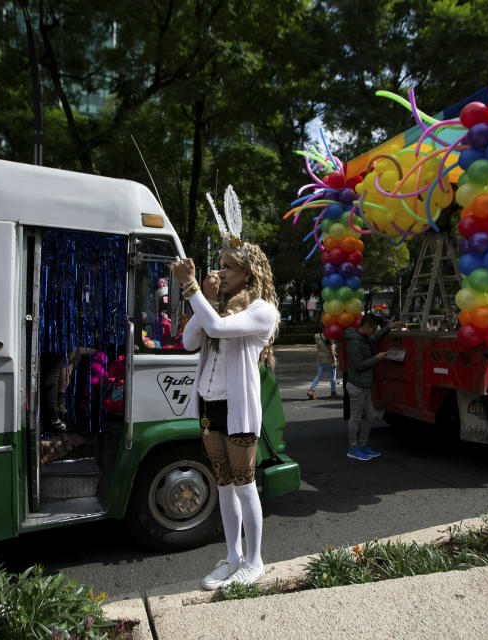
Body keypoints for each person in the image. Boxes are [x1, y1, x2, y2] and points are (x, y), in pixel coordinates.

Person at [171, 185, 279, 591]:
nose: (219, 274)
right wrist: (206, 296)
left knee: (245, 481)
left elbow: (217, 330)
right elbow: (190, 340)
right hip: (210, 404)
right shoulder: (215, 305)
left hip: (239, 408)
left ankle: (255, 560)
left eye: (226, 269)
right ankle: (232, 556)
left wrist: (192, 288)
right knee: (223, 483)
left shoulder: (260, 311)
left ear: (247, 273)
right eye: (217, 267)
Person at [341, 313, 392, 461]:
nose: (375, 331)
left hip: (365, 385)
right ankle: (352, 449)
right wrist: (377, 358)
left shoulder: (364, 338)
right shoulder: (354, 342)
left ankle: (362, 446)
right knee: (355, 418)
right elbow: (359, 365)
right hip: (356, 385)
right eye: (374, 328)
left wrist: (389, 327)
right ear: (366, 326)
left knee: (370, 416)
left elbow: (374, 338)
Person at [307, 329, 338, 400]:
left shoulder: (317, 336)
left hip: (320, 359)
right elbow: (331, 350)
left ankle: (311, 390)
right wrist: (335, 361)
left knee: (318, 376)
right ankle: (333, 393)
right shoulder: (329, 337)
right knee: (332, 376)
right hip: (329, 360)